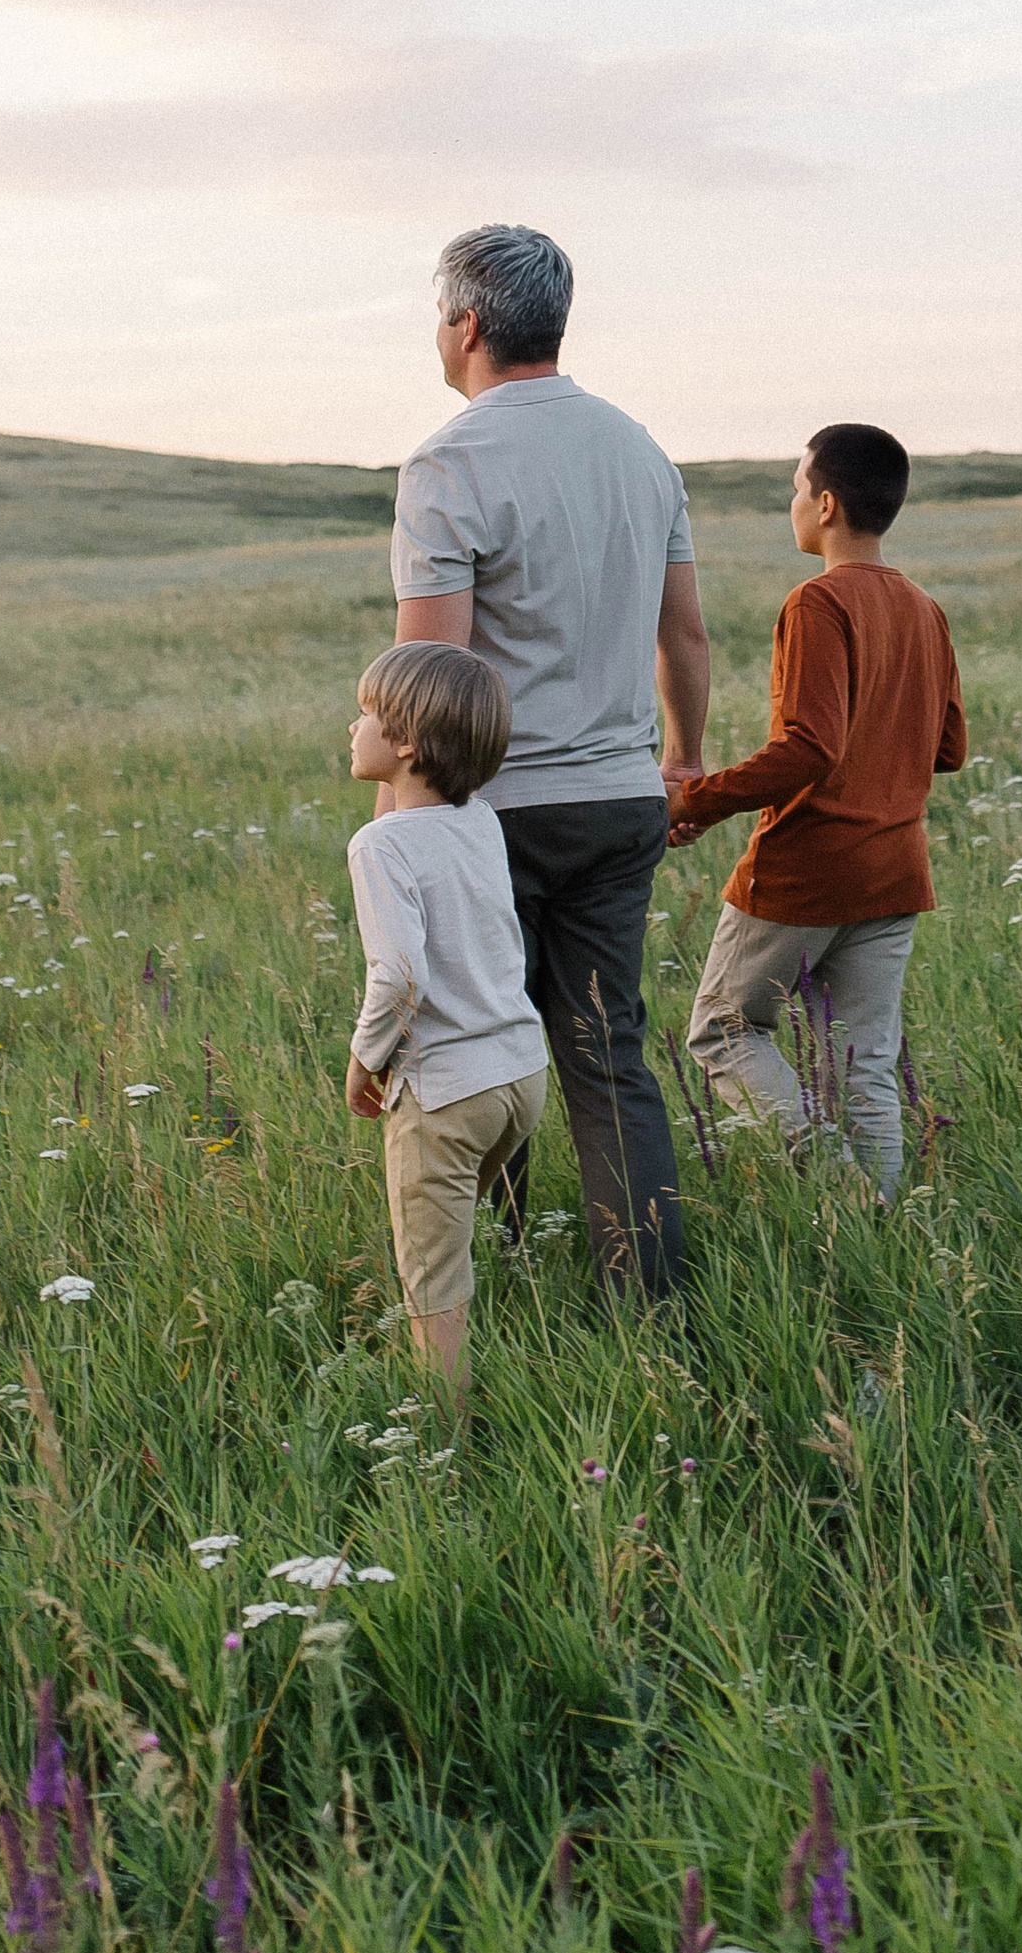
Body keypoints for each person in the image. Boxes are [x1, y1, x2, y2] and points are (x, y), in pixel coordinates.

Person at [391, 224, 705, 1300]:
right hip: (622, 797)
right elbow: (685, 638)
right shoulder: (640, 449)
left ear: (467, 325)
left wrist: (406, 822)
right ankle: (648, 1296)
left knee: (484, 1043)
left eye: (440, 317)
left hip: (497, 808)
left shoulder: (449, 461)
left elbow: (431, 675)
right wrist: (685, 760)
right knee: (607, 1051)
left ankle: (504, 1272)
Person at [672, 425, 966, 1198]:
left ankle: (842, 1188)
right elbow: (949, 747)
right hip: (895, 871)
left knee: (721, 1031)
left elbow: (808, 749)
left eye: (797, 488)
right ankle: (883, 1226)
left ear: (827, 504)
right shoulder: (923, 608)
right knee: (864, 1063)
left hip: (810, 869)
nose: (793, 502)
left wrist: (695, 800)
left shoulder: (816, 602)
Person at [343, 641, 549, 1399]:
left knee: (434, 1291)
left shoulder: (381, 843)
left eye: (367, 713)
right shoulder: (480, 820)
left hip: (446, 1092)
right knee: (453, 1243)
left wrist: (366, 1060)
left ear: (406, 743)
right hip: (520, 1077)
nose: (353, 726)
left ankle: (442, 1453)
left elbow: (399, 973)